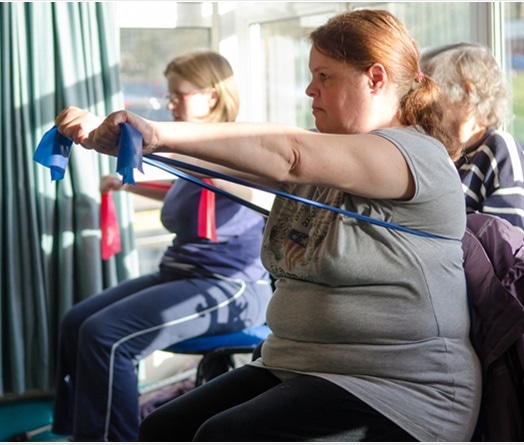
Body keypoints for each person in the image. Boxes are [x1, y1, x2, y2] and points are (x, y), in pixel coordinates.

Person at [55, 9, 482, 442]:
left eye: (325, 76)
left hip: (397, 390)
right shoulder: (336, 157)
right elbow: (215, 159)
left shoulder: (414, 156)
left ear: (374, 79)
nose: (309, 88)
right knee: (163, 428)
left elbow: (289, 154)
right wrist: (126, 142)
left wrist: (156, 132)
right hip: (298, 364)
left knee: (221, 436)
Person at [50, 50, 273, 442]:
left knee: (106, 336)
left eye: (178, 95)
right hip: (181, 272)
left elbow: (220, 176)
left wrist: (129, 137)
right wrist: (128, 185)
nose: (170, 103)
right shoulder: (193, 156)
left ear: (212, 97)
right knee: (75, 323)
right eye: (168, 95)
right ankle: (80, 434)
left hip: (229, 285)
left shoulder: (239, 147)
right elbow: (189, 188)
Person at [420, 42, 524, 244]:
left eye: (432, 92)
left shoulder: (501, 151)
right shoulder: (440, 151)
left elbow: (510, 252)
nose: (424, 102)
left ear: (466, 93)